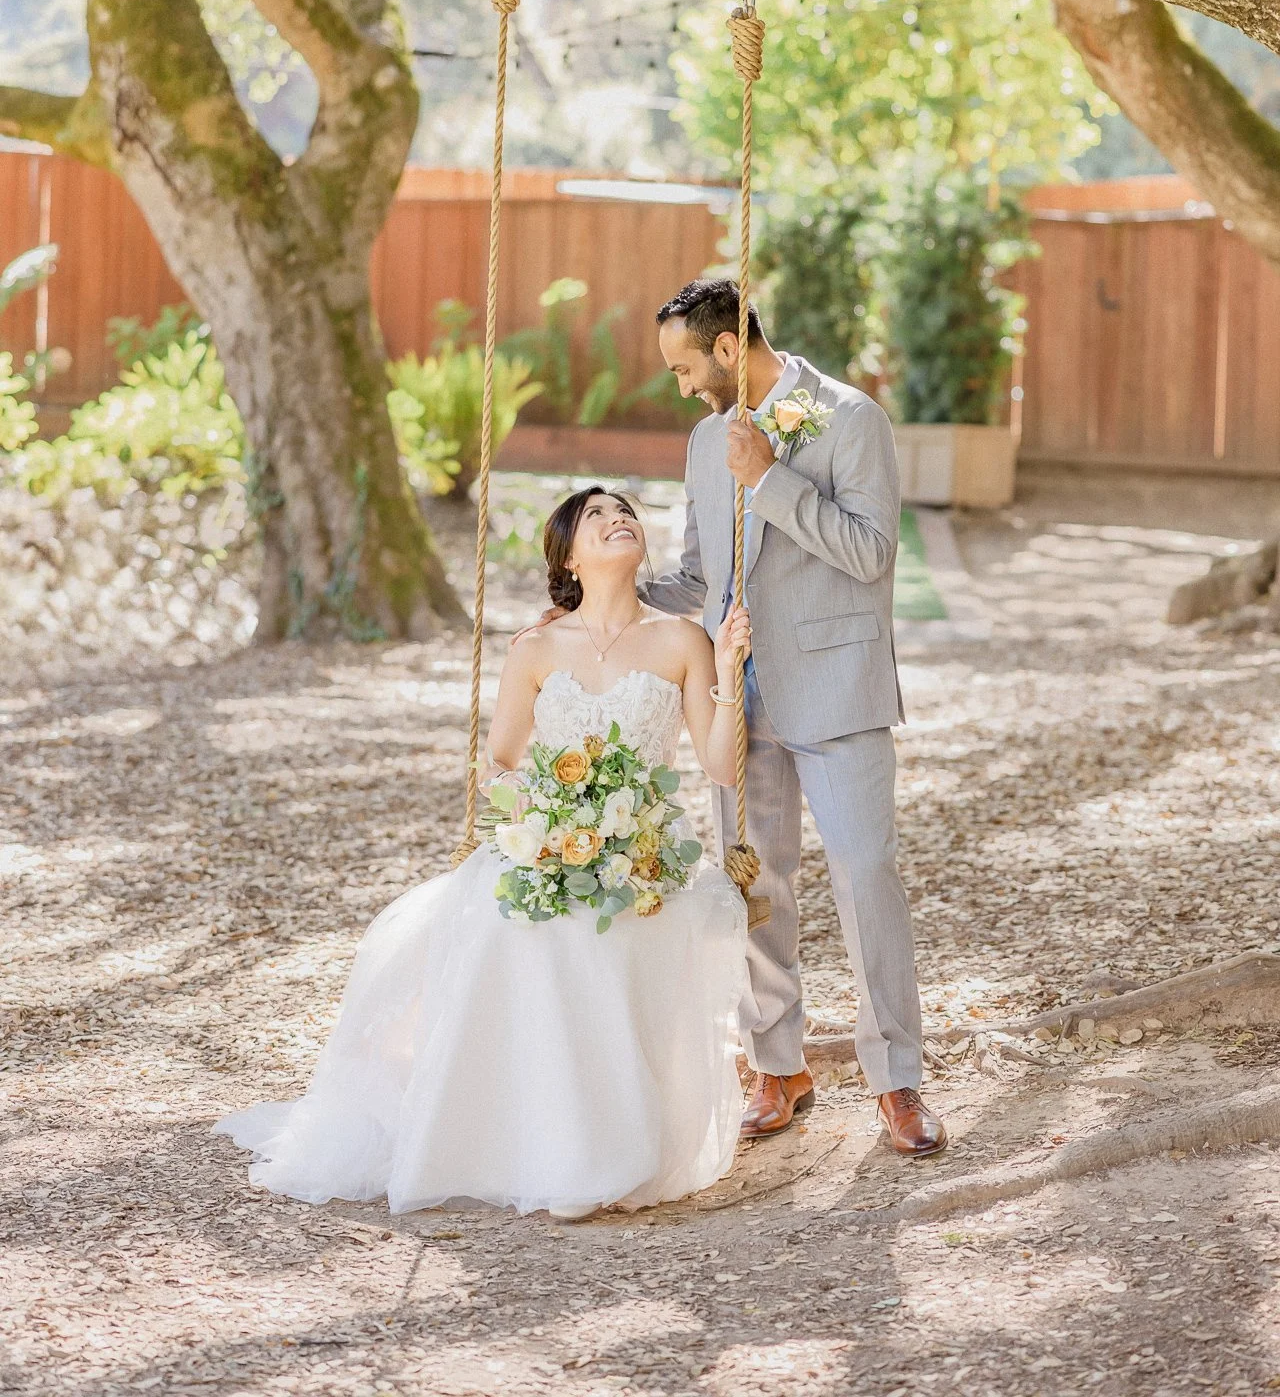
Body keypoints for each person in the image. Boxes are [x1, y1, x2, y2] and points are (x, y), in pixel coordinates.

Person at [216, 486, 751, 1220]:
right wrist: (546, 819)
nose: (617, 518)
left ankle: (607, 1147)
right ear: (568, 554)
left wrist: (727, 670)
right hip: (551, 847)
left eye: (624, 511)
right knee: (513, 926)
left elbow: (722, 769)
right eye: (595, 516)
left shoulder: (682, 640)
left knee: (614, 934)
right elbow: (501, 762)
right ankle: (525, 1138)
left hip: (644, 854)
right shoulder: (534, 650)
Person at [645, 277, 946, 1156]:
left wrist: (771, 480)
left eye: (684, 366)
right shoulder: (706, 442)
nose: (681, 386)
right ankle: (778, 1065)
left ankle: (897, 1082)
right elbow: (702, 578)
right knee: (754, 883)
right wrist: (600, 596)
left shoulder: (852, 419)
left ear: (729, 350)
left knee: (865, 876)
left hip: (836, 687)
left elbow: (870, 553)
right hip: (738, 696)